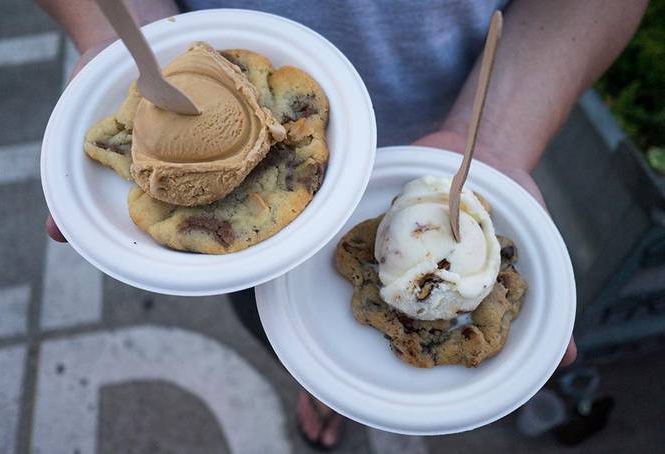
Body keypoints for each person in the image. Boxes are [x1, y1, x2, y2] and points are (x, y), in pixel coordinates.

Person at [38, 0, 647, 449]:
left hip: (464, 120)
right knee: (278, 320)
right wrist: (120, 39)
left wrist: (495, 140)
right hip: (192, 84)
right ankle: (319, 383)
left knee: (334, 334)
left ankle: (358, 391)